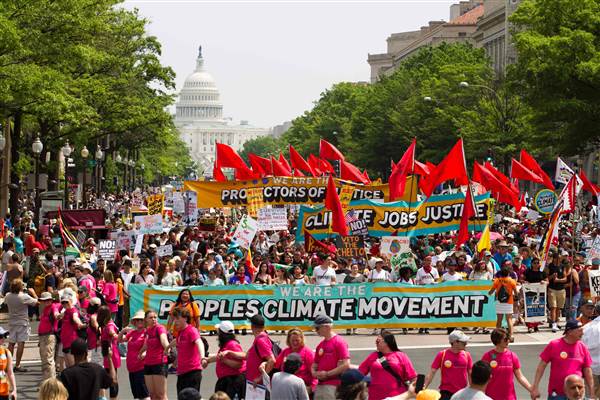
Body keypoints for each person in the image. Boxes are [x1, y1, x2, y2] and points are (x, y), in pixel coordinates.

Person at [531, 320, 594, 399]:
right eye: (580, 330)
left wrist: (592, 391)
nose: (582, 333)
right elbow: (541, 366)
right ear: (570, 332)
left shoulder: (582, 347)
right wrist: (535, 387)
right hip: (557, 393)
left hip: (576, 394)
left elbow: (587, 371)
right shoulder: (554, 345)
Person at [358, 330, 417, 400]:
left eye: (378, 341)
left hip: (397, 396)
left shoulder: (401, 356)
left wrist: (418, 388)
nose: (375, 343)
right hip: (375, 396)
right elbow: (359, 373)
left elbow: (413, 377)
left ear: (387, 342)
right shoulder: (373, 356)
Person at [480, 328, 532, 399]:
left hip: (509, 397)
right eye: (505, 339)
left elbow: (520, 377)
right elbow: (481, 378)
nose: (508, 341)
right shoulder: (487, 356)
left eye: (508, 338)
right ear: (497, 340)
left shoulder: (512, 356)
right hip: (491, 397)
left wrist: (531, 389)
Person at [424, 330, 473, 400]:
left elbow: (470, 374)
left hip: (462, 393)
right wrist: (424, 387)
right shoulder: (442, 354)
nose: (466, 343)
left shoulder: (467, 355)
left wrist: (473, 391)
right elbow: (432, 372)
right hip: (446, 393)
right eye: (464, 342)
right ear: (455, 342)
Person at [203, 320, 246, 399]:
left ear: (222, 334)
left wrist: (225, 361)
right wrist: (208, 360)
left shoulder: (232, 344)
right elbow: (220, 357)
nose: (217, 334)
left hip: (233, 382)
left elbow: (239, 364)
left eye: (219, 331)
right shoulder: (226, 344)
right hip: (227, 381)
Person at [311, 314, 350, 400]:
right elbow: (315, 363)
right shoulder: (320, 345)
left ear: (326, 327)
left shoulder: (339, 342)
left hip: (333, 385)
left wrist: (327, 374)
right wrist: (314, 372)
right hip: (320, 385)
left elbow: (346, 364)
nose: (316, 331)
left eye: (317, 328)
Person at [4, 278, 38, 372]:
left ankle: (8, 364)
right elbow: (36, 302)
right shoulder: (24, 296)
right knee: (21, 343)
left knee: (11, 343)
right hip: (22, 322)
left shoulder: (8, 295)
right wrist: (34, 293)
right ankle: (17, 364)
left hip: (12, 321)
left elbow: (5, 302)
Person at [170, 307, 204, 394]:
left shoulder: (191, 330)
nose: (175, 321)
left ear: (185, 318)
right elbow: (176, 341)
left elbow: (199, 342)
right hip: (181, 373)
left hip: (192, 372)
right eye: (174, 319)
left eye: (177, 318)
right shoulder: (181, 332)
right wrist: (167, 348)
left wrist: (202, 357)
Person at [118, 310, 150, 400]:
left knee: (145, 395)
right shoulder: (132, 333)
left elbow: (150, 346)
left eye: (141, 320)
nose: (139, 322)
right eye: (137, 320)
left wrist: (144, 353)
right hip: (131, 368)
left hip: (141, 367)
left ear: (145, 322)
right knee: (136, 395)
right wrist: (123, 331)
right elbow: (119, 340)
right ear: (134, 322)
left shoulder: (146, 333)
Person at [274, 329, 316, 395]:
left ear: (301, 340)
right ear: (289, 340)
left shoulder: (308, 353)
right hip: (286, 386)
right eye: (292, 340)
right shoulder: (285, 351)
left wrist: (311, 388)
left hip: (302, 387)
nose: (295, 343)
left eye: (297, 340)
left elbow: (314, 373)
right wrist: (265, 363)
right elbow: (276, 365)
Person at [140, 309, 170, 400]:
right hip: (148, 364)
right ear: (146, 320)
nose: (153, 319)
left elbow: (163, 339)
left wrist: (167, 348)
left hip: (159, 363)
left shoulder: (160, 328)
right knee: (152, 395)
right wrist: (140, 352)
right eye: (151, 317)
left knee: (161, 394)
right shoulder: (148, 330)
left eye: (155, 317)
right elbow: (146, 345)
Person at [488, 267, 518, 340]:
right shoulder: (511, 281)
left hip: (499, 302)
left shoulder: (497, 280)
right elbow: (516, 292)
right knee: (509, 320)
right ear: (508, 273)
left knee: (499, 320)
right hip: (509, 302)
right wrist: (516, 297)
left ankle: (497, 336)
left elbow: (491, 292)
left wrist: (489, 293)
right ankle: (511, 336)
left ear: (501, 273)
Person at [246, 314, 275, 386]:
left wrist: (260, 378)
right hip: (255, 384)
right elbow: (247, 355)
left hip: (258, 386)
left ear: (252, 326)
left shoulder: (260, 341)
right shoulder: (260, 338)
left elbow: (272, 360)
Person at [58, 291, 86, 368]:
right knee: (68, 366)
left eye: (66, 302)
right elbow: (59, 316)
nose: (65, 304)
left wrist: (80, 324)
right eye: (63, 303)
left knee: (73, 366)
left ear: (71, 301)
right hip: (65, 342)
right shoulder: (65, 311)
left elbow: (75, 317)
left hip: (71, 342)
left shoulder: (73, 310)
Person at [98, 305, 120, 400]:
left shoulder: (109, 325)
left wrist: (116, 336)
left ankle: (113, 398)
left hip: (111, 353)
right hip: (106, 352)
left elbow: (112, 333)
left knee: (112, 379)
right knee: (107, 377)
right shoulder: (105, 324)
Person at [38, 291, 60, 379]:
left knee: (48, 360)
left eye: (48, 300)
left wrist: (58, 315)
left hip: (48, 336)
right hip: (43, 336)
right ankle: (46, 382)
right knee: (44, 360)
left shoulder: (53, 307)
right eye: (44, 300)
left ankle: (51, 382)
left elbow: (56, 314)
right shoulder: (45, 309)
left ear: (51, 300)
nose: (47, 301)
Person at [582, 302, 600, 399]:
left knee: (590, 396)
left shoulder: (586, 328)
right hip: (591, 368)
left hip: (591, 368)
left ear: (595, 312)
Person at [548, 253, 568, 332]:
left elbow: (565, 278)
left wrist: (558, 280)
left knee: (559, 308)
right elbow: (546, 277)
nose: (558, 259)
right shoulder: (550, 266)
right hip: (552, 289)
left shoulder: (562, 266)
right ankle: (553, 324)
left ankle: (556, 322)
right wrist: (552, 276)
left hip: (561, 289)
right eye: (556, 258)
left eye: (559, 258)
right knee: (553, 307)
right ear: (553, 258)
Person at [0, 327, 17, 400]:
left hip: (4, 391)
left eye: (4, 336)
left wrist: (14, 390)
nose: (3, 338)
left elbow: (10, 373)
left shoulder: (6, 352)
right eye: (0, 336)